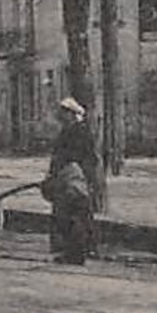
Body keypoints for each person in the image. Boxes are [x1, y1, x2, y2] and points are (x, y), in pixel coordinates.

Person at [43, 97, 100, 265]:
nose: (61, 116)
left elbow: (82, 157)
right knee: (67, 215)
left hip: (75, 178)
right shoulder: (68, 130)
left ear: (72, 114)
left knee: (73, 215)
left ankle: (76, 252)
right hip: (66, 177)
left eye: (64, 113)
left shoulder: (80, 132)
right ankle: (72, 250)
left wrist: (83, 177)